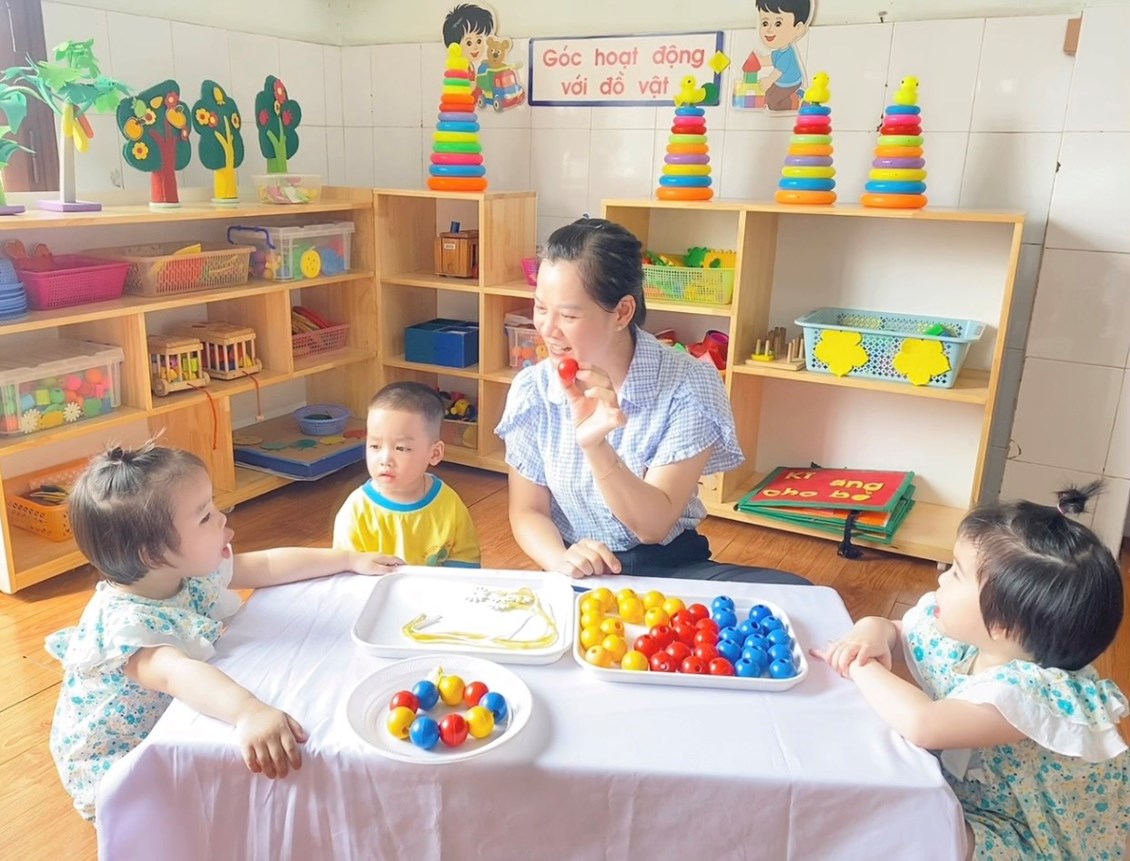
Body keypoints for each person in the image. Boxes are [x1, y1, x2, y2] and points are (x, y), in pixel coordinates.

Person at [47, 441, 403, 821]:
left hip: (177, 717)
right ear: (152, 555)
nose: (221, 518)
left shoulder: (179, 572)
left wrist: (347, 558)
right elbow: (178, 673)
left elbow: (266, 566)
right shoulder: (127, 628)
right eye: (204, 517)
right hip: (122, 758)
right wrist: (248, 711)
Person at [813, 484, 1129, 860]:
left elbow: (923, 723)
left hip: (1028, 833)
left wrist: (858, 665)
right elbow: (897, 634)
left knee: (916, 828)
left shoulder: (1028, 695)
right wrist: (872, 629)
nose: (941, 578)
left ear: (1005, 625)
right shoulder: (976, 644)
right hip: (981, 799)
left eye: (957, 573)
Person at [495, 217, 808, 585]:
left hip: (669, 567)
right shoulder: (533, 389)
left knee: (795, 594)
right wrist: (562, 562)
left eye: (568, 315)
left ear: (622, 312)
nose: (547, 328)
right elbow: (528, 510)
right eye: (540, 308)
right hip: (575, 567)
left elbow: (652, 526)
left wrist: (595, 445)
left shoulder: (689, 386)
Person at [333, 381, 480, 567]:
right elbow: (345, 569)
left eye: (401, 448)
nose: (385, 459)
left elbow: (465, 562)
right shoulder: (356, 510)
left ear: (435, 453)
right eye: (375, 446)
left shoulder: (449, 504)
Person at [753, 0, 811, 111]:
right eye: (765, 23)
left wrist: (769, 80)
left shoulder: (788, 53)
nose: (769, 29)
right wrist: (759, 60)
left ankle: (797, 101)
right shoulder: (781, 50)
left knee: (773, 103)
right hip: (781, 82)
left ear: (798, 28)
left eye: (778, 24)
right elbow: (772, 59)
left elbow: (778, 71)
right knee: (767, 95)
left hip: (790, 83)